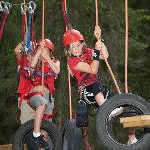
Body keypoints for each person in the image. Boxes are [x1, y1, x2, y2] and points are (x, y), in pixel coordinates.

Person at [62, 26, 137, 144]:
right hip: (87, 92)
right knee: (95, 83)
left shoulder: (87, 51)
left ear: (82, 44)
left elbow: (105, 55)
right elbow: (93, 70)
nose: (75, 49)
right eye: (71, 47)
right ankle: (105, 107)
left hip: (99, 90)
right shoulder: (72, 62)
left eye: (77, 45)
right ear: (68, 50)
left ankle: (131, 138)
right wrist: (96, 52)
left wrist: (100, 41)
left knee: (124, 103)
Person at [14, 39, 60, 149]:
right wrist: (39, 51)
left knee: (45, 130)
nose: (44, 53)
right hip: (34, 95)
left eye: (47, 51)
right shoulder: (34, 63)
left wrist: (47, 57)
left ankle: (41, 143)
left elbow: (56, 70)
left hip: (47, 96)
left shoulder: (54, 61)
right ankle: (34, 137)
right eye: (40, 51)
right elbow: (30, 65)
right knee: (31, 127)